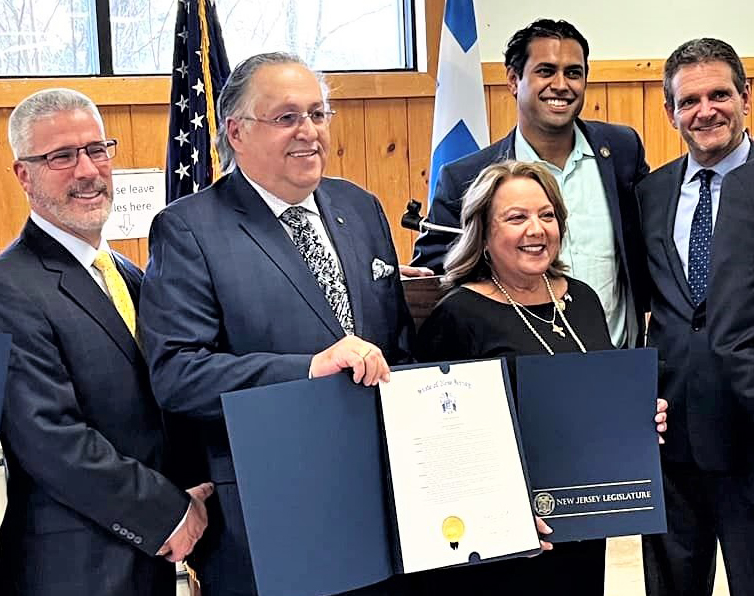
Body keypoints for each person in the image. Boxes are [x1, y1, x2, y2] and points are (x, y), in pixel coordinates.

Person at [138, 52, 414, 596]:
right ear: (237, 132)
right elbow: (178, 374)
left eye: (318, 113)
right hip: (268, 509)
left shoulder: (360, 208)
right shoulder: (189, 229)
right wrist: (307, 369)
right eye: (286, 117)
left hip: (380, 497)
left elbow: (398, 344)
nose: (309, 132)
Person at [413, 161, 666, 596]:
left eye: (547, 215)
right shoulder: (457, 315)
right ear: (483, 233)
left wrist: (638, 419)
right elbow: (435, 445)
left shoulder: (582, 298)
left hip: (582, 524)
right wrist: (501, 514)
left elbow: (596, 396)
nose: (536, 229)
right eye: (516, 217)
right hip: (500, 541)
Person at [0, 88, 213, 596]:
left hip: (150, 562)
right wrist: (167, 513)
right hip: (71, 569)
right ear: (23, 174)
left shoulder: (131, 277)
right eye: (61, 156)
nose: (87, 170)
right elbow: (46, 436)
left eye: (97, 149)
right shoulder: (8, 287)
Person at [412, 18, 649, 349]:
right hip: (517, 366)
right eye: (546, 71)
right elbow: (436, 281)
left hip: (616, 360)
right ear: (513, 79)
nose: (561, 84)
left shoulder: (622, 150)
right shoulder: (466, 178)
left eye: (573, 72)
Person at [639, 39, 754, 596]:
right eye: (689, 101)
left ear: (745, 97)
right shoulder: (650, 193)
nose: (705, 110)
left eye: (719, 95)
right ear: (671, 113)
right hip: (671, 439)